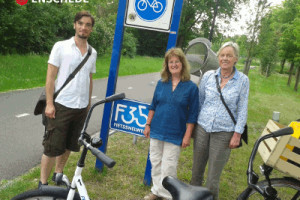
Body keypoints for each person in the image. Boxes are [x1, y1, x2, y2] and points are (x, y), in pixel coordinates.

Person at [38, 11, 97, 188]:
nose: (83, 27)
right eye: (80, 23)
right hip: (61, 105)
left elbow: (89, 78)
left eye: (87, 25)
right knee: (51, 147)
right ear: (74, 25)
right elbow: (50, 77)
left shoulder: (92, 52)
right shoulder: (60, 46)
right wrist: (49, 103)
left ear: (91, 29)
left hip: (80, 108)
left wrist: (88, 104)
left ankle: (59, 173)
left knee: (70, 144)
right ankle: (42, 183)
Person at [190, 41, 249, 199]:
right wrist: (193, 126)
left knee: (212, 178)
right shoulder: (209, 76)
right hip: (202, 128)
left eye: (229, 56)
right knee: (196, 171)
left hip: (224, 133)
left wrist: (237, 134)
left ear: (235, 58)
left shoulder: (243, 80)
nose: (225, 58)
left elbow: (242, 109)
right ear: (218, 57)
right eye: (222, 55)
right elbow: (200, 101)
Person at [143, 48, 199, 200]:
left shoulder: (191, 87)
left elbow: (193, 115)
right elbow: (153, 105)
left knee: (169, 166)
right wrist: (147, 124)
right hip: (157, 129)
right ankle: (156, 191)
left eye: (177, 61)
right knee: (155, 162)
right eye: (171, 62)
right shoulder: (162, 84)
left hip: (175, 133)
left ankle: (168, 195)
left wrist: (187, 135)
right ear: (167, 65)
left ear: (182, 64)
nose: (174, 64)